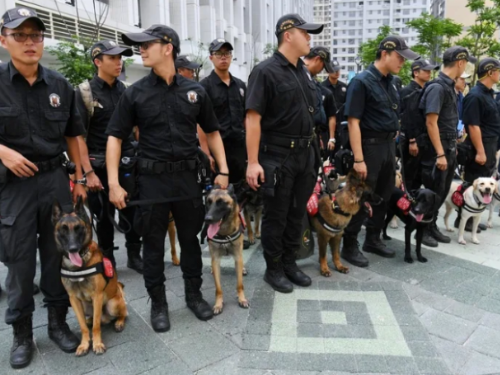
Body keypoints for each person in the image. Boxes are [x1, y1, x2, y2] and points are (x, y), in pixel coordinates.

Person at [105, 24, 229, 332]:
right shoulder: (135, 93)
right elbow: (114, 138)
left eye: (147, 44)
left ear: (168, 47)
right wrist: (114, 183)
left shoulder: (195, 91)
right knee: (153, 246)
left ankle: (193, 295)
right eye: (140, 45)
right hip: (151, 183)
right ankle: (158, 303)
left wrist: (223, 170)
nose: (141, 50)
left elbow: (212, 131)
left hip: (188, 180)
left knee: (190, 241)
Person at [0, 7, 86, 369]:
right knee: (19, 263)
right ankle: (22, 333)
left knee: (58, 255)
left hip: (54, 181)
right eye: (20, 35)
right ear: (3, 39)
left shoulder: (60, 86)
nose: (30, 42)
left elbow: (73, 134)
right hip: (14, 186)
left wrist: (81, 178)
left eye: (36, 35)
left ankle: (57, 323)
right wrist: (2, 152)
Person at [246, 14, 323, 293]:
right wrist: (253, 162)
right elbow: (253, 119)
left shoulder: (302, 71)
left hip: (305, 154)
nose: (309, 38)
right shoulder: (265, 71)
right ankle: (274, 268)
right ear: (288, 34)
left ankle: (290, 263)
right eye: (305, 33)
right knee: (276, 215)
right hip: (277, 155)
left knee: (296, 213)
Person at [341, 36, 419, 267]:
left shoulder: (391, 82)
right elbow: (353, 121)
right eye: (399, 57)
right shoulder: (362, 81)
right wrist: (358, 159)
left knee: (383, 196)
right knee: (359, 197)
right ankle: (349, 245)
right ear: (385, 54)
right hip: (368, 147)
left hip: (387, 146)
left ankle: (373, 239)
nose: (403, 63)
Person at [75, 40, 143, 273]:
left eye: (120, 58)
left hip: (126, 163)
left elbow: (135, 128)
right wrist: (88, 173)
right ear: (97, 62)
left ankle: (134, 255)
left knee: (132, 210)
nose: (118, 62)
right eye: (112, 58)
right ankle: (107, 260)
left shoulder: (126, 90)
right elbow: (78, 138)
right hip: (98, 165)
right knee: (103, 217)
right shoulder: (84, 93)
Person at [419, 46, 476, 246]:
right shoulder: (437, 87)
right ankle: (423, 230)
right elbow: (431, 122)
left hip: (449, 146)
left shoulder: (449, 87)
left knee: (442, 190)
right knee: (431, 191)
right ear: (460, 63)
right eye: (466, 63)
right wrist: (440, 154)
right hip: (438, 148)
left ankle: (431, 225)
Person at [459, 58, 500, 231]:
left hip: (490, 145)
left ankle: (473, 216)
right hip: (479, 146)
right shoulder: (475, 95)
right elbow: (473, 126)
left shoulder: (488, 94)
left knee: (484, 181)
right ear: (490, 72)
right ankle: (463, 219)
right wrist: (481, 152)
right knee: (472, 182)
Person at [200, 39, 247, 186]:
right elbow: (200, 123)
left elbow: (246, 119)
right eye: (218, 54)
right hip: (217, 149)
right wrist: (206, 153)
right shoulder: (204, 86)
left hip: (239, 149)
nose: (223, 57)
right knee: (219, 194)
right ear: (211, 58)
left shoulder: (240, 85)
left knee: (240, 192)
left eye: (227, 53)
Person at [399, 59, 439, 191]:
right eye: (426, 70)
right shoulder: (408, 91)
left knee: (419, 177)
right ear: (416, 72)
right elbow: (408, 118)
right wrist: (412, 140)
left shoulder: (425, 89)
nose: (429, 73)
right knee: (409, 178)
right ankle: (404, 207)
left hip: (422, 140)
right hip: (412, 140)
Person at [303, 46, 337, 155]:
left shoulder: (313, 82)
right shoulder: (297, 78)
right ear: (317, 59)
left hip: (313, 137)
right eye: (323, 66)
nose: (321, 70)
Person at [321, 60, 347, 149]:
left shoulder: (344, 87)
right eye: (334, 70)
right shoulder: (321, 88)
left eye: (338, 70)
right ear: (328, 71)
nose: (337, 72)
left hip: (341, 126)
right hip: (325, 128)